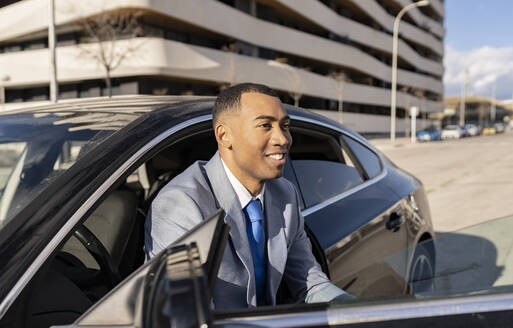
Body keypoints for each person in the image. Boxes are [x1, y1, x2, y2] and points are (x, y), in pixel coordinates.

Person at [144, 83, 352, 309]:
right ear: (224, 136)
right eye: (265, 125)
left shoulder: (285, 194)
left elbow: (310, 283)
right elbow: (185, 315)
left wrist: (359, 314)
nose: (283, 139)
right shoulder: (181, 204)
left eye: (285, 126)